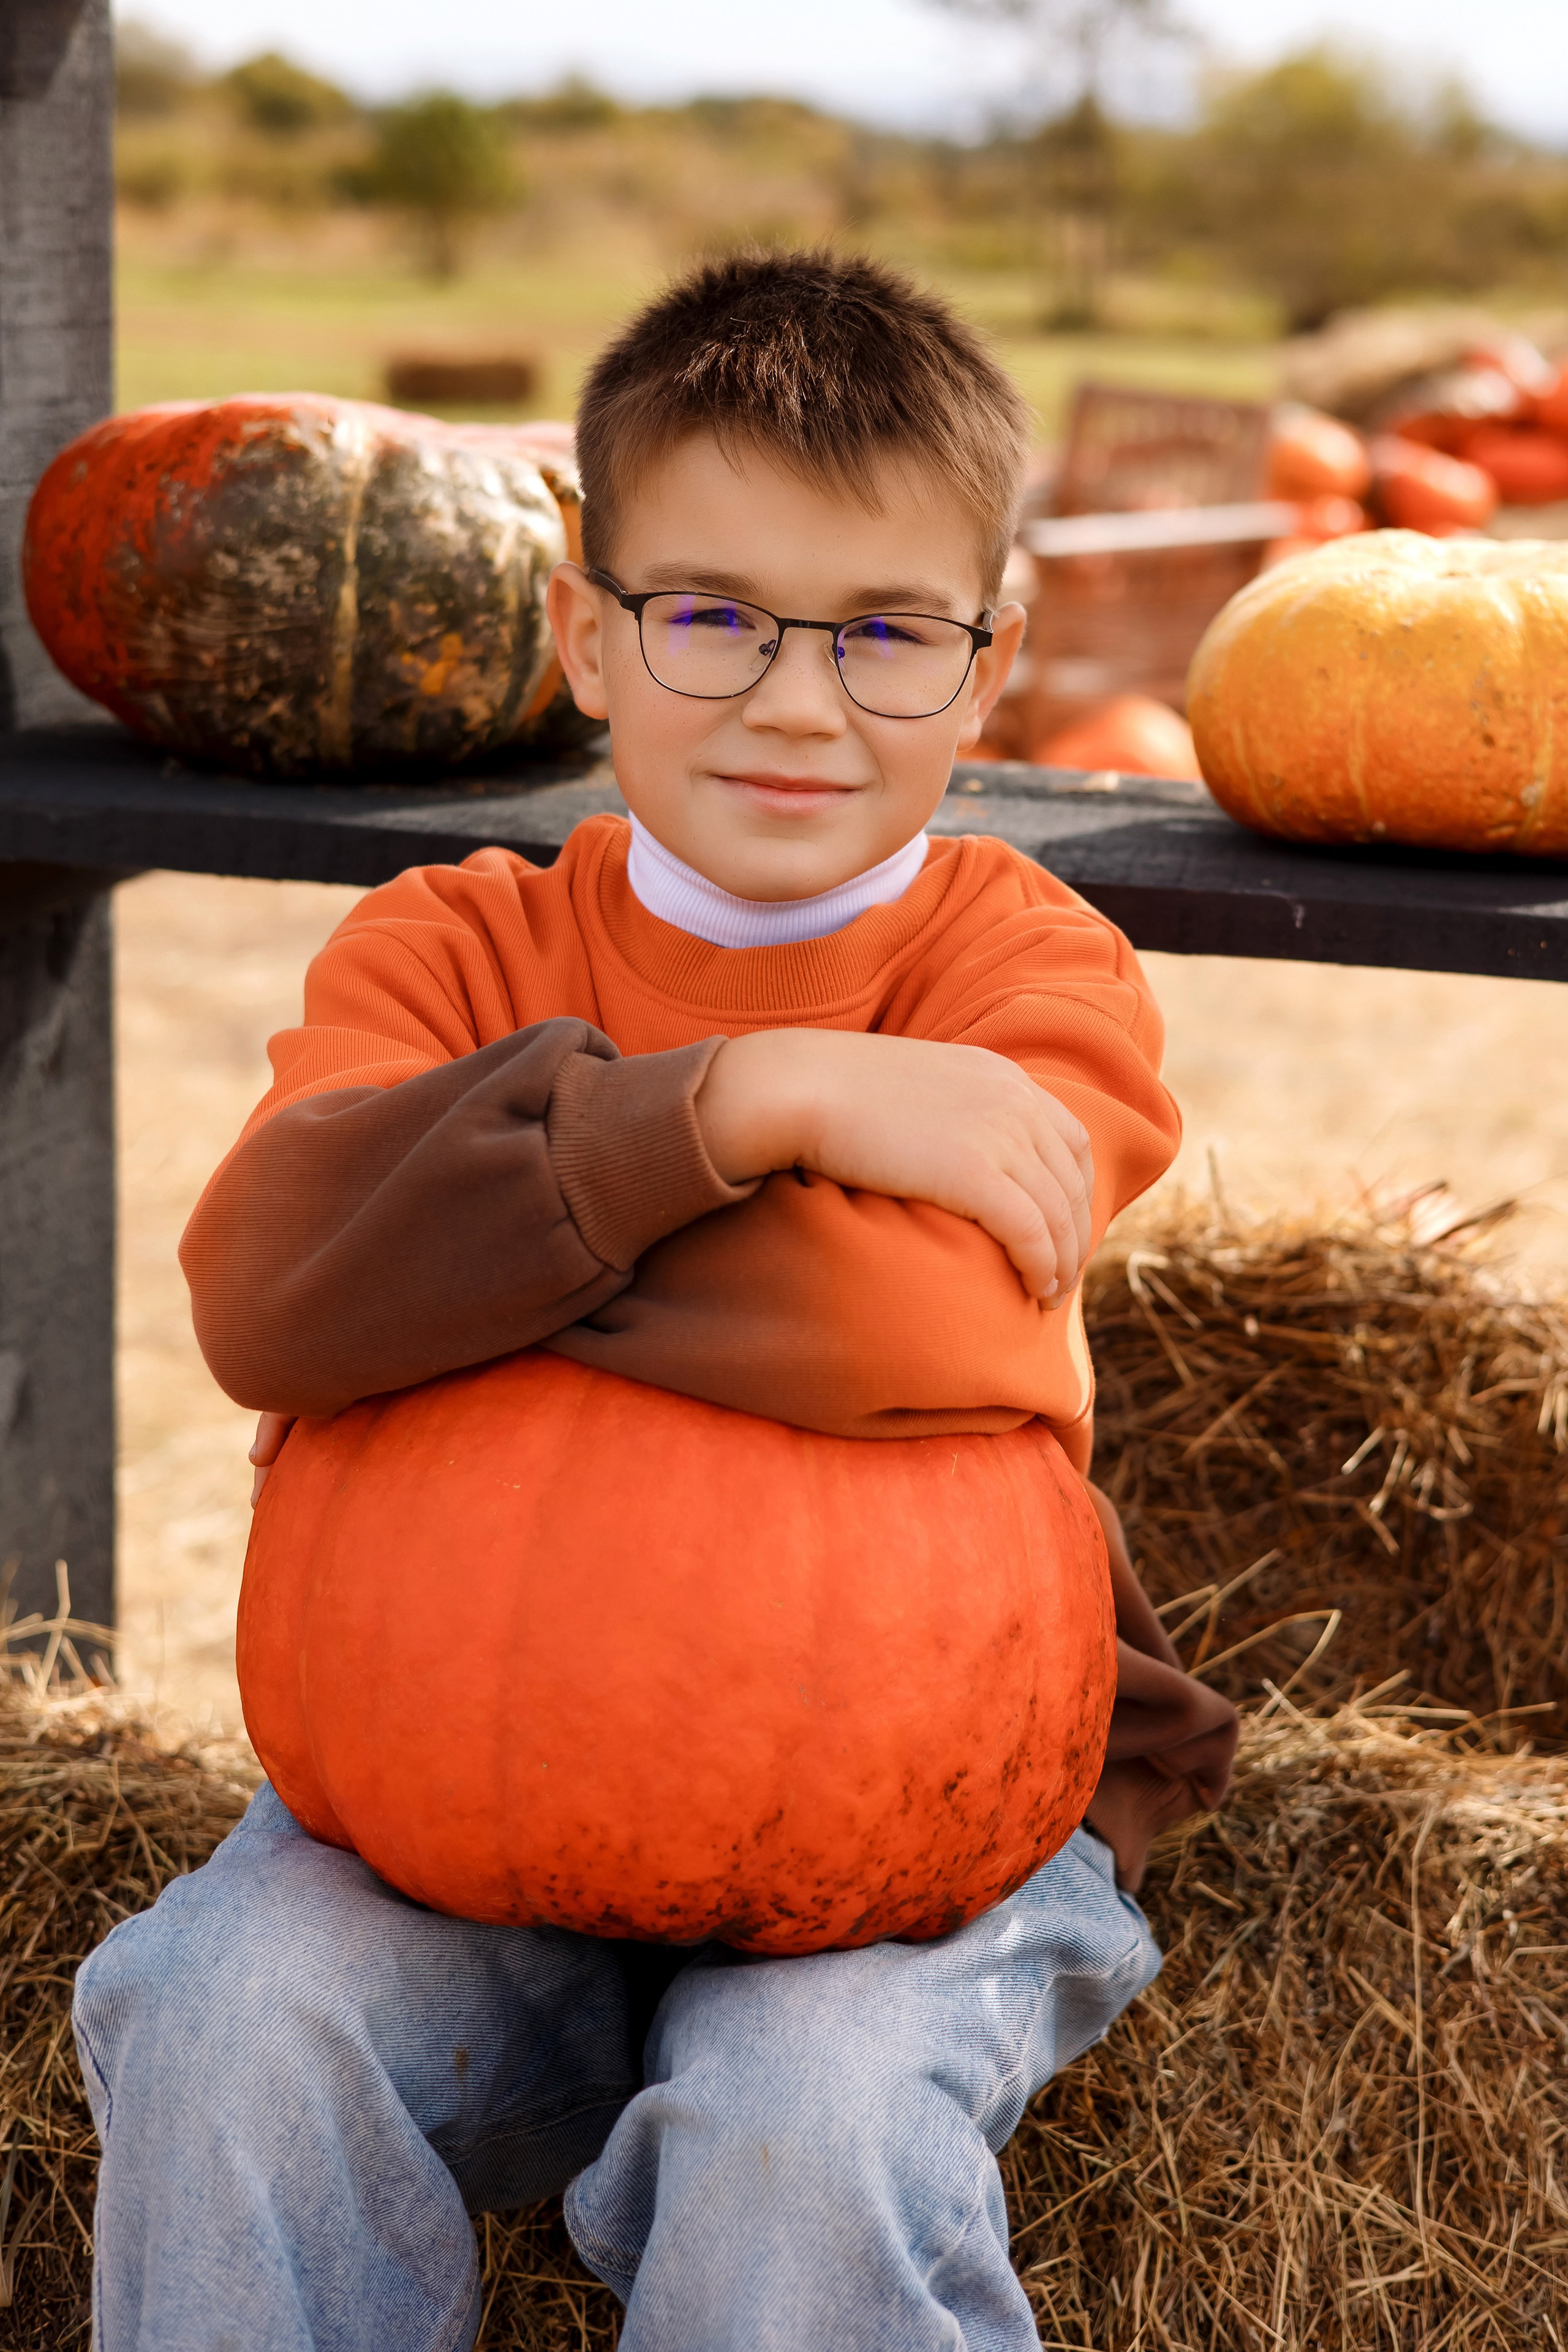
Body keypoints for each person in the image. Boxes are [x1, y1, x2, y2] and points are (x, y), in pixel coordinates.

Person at [74, 250, 1237, 2352]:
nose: (800, 701)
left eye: (887, 634)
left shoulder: (1023, 974)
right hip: (436, 1806)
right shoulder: (452, 945)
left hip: (923, 1830)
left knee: (808, 2121)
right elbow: (266, 1282)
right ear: (586, 638)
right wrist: (754, 1099)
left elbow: (917, 1327)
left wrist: (448, 1267)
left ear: (992, 668)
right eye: (714, 617)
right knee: (217, 2009)